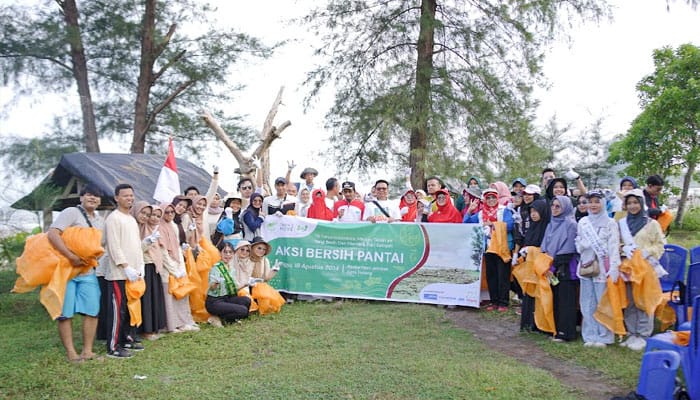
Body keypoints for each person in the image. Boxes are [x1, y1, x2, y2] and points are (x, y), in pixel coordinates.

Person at [46, 183, 104, 362]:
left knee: (92, 310)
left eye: (96, 196)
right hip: (67, 271)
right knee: (65, 312)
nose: (92, 198)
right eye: (89, 195)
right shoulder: (71, 212)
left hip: (88, 272)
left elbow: (99, 245)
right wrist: (71, 256)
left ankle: (88, 351)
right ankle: (71, 353)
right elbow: (53, 234)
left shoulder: (100, 220)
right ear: (81, 197)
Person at [618, 189, 666, 351]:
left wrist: (647, 252)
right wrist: (622, 249)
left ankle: (643, 334)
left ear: (641, 203)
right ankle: (632, 332)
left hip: (645, 268)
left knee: (643, 300)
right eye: (629, 203)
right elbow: (616, 243)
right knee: (630, 300)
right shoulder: (622, 223)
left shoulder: (651, 224)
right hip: (628, 268)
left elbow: (660, 245)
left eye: (635, 202)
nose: (632, 206)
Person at [103, 183, 145, 358]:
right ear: (116, 198)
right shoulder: (113, 218)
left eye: (131, 195)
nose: (129, 198)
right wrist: (125, 266)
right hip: (118, 273)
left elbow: (136, 246)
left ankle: (126, 338)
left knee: (129, 307)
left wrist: (139, 266)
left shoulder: (132, 219)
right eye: (125, 195)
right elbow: (114, 247)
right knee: (117, 309)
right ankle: (113, 346)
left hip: (134, 272)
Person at [575, 190, 621, 347]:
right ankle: (590, 335)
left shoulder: (610, 223)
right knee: (587, 302)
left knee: (602, 301)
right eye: (590, 202)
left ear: (603, 203)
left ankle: (604, 335)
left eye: (596, 201)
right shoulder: (583, 222)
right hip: (586, 265)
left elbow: (614, 246)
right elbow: (578, 241)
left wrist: (614, 268)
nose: (593, 205)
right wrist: (582, 245)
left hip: (603, 267)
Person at [464, 188, 514, 311]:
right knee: (491, 275)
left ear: (497, 198)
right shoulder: (481, 213)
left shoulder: (504, 210)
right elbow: (466, 223)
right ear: (484, 200)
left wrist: (492, 224)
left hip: (502, 247)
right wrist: (469, 211)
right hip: (488, 247)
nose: (491, 200)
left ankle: (503, 302)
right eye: (488, 198)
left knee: (503, 275)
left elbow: (510, 225)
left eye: (493, 197)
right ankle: (494, 301)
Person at [541, 195, 580, 342]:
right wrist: (546, 263)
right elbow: (545, 245)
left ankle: (566, 332)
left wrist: (554, 264)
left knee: (566, 301)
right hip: (550, 266)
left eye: (558, 206)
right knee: (555, 299)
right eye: (553, 206)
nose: (554, 209)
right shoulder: (551, 224)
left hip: (565, 268)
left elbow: (569, 248)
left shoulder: (571, 224)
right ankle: (555, 329)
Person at [158, 202, 199, 333]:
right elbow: (163, 251)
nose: (169, 215)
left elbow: (177, 246)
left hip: (178, 263)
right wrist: (173, 270)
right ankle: (172, 325)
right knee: (169, 298)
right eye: (167, 212)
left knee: (181, 295)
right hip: (167, 268)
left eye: (172, 212)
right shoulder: (159, 227)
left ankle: (183, 322)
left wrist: (180, 267)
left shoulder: (174, 226)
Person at [133, 202, 166, 341]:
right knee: (146, 299)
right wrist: (148, 241)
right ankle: (145, 330)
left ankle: (154, 327)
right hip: (143, 265)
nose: (152, 218)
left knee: (154, 298)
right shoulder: (138, 228)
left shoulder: (156, 229)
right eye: (150, 215)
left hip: (154, 266)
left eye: (158, 216)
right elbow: (136, 249)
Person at [516, 199, 550, 332]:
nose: (533, 214)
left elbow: (545, 248)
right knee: (529, 294)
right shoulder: (532, 228)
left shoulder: (546, 227)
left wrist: (532, 250)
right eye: (531, 212)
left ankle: (538, 323)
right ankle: (528, 322)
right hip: (529, 267)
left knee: (539, 295)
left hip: (540, 267)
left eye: (536, 211)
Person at [205, 241, 252, 326]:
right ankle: (220, 318)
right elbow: (211, 287)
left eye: (230, 252)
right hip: (215, 301)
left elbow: (234, 288)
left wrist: (247, 284)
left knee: (247, 301)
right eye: (225, 252)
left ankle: (224, 318)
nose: (228, 255)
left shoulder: (231, 269)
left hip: (226, 298)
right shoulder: (216, 268)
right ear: (220, 253)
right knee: (243, 311)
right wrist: (215, 284)